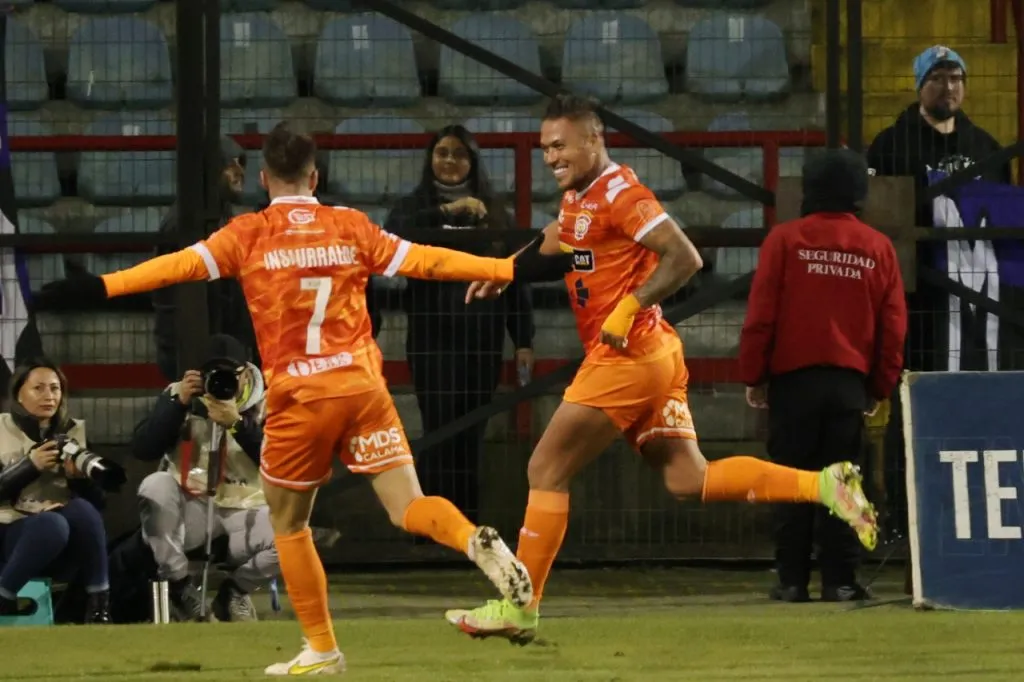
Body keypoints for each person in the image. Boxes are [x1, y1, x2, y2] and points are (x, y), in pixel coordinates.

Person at [34, 121, 572, 675]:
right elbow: (428, 259)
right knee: (408, 505)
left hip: (299, 398)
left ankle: (322, 648)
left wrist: (97, 286)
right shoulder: (351, 225)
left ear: (265, 178)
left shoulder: (248, 233)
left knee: (289, 524)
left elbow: (172, 268)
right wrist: (504, 269)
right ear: (315, 176)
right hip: (363, 388)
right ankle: (470, 539)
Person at [444, 93, 880, 643]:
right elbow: (560, 238)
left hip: (628, 355)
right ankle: (823, 484)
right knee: (687, 478)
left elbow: (684, 256)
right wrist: (507, 268)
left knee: (545, 470)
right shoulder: (582, 197)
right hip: (655, 356)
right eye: (545, 148)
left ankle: (520, 608)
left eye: (561, 145)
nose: (551, 157)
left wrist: (630, 305)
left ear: (594, 138)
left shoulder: (623, 194)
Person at [738, 149, 908, 603]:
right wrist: (879, 386)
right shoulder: (877, 248)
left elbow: (761, 315)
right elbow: (893, 329)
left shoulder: (784, 240)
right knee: (844, 480)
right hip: (848, 384)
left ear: (809, 188)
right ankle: (841, 580)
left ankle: (791, 580)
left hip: (793, 381)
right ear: (859, 192)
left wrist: (754, 374)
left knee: (792, 478)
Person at [385, 124, 535, 519]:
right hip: (431, 338)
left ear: (473, 161)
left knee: (471, 433)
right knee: (438, 430)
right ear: (430, 159)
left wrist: (523, 339)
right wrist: (444, 212)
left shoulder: (496, 212)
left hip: (482, 340)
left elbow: (515, 278)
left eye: (459, 154)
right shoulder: (412, 207)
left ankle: (466, 527)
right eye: (442, 153)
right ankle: (430, 524)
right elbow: (389, 239)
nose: (449, 161)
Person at [132, 333, 277, 622]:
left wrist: (237, 424)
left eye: (230, 374)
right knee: (154, 485)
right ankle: (180, 586)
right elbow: (143, 449)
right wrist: (177, 405)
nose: (221, 381)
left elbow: (281, 462)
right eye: (212, 373)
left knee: (296, 535)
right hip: (193, 507)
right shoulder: (181, 394)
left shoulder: (271, 401)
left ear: (247, 372)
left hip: (249, 507)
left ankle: (235, 591)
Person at [0, 359, 117, 623]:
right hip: (9, 530)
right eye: (38, 388)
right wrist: (29, 466)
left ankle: (99, 606)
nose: (48, 396)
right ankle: (3, 597)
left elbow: (99, 507)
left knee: (82, 510)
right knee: (51, 524)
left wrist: (79, 481)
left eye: (55, 389)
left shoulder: (73, 432)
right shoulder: (1, 428)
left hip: (56, 542)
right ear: (19, 393)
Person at [152, 136, 257, 381]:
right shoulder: (183, 224)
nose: (240, 172)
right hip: (197, 356)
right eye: (231, 164)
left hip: (222, 349)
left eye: (242, 163)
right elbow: (175, 304)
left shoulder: (218, 214)